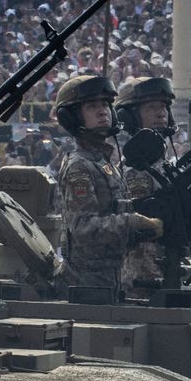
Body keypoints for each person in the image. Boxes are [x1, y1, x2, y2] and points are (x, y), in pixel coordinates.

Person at [50, 73, 162, 300]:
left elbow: (111, 207)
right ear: (72, 117)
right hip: (87, 286)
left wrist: (142, 209)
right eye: (92, 107)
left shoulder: (102, 162)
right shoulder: (79, 167)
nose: (102, 111)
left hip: (110, 280)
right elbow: (83, 228)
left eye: (105, 105)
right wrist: (133, 221)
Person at [114, 76, 177, 289]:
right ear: (130, 118)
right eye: (151, 108)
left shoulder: (160, 163)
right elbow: (138, 230)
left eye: (163, 107)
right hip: (143, 278)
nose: (161, 113)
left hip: (162, 269)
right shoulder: (136, 170)